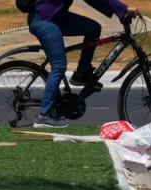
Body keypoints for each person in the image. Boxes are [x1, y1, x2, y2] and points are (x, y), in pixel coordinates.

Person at [29, 0, 141, 128]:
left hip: (56, 16)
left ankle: (82, 73)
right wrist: (122, 10)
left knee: (93, 28)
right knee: (59, 66)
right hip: (44, 19)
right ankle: (44, 116)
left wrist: (120, 12)